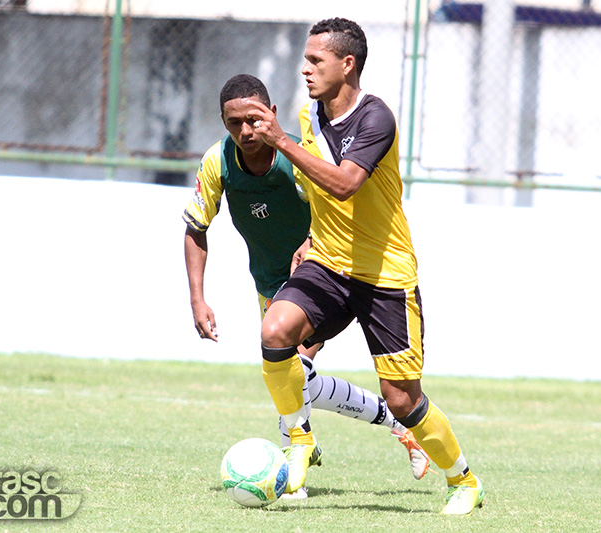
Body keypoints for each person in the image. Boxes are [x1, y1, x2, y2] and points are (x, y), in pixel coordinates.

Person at [247, 18, 485, 515]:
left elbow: (345, 183)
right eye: (306, 59)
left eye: (316, 60)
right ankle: (299, 439)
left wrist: (281, 141)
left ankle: (463, 480)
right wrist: (313, 236)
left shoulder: (377, 118)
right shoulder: (309, 116)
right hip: (329, 263)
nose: (306, 68)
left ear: (347, 64)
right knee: (276, 330)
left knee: (401, 400)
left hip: (386, 275)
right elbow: (321, 193)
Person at [182, 74, 430, 500]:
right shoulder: (218, 161)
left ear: (272, 115)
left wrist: (313, 239)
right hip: (269, 283)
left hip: (321, 276)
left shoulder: (298, 156)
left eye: (254, 120)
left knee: (294, 366)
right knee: (297, 375)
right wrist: (197, 299)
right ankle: (396, 425)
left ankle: (290, 467)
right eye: (233, 123)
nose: (245, 131)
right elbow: (195, 227)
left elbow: (340, 205)